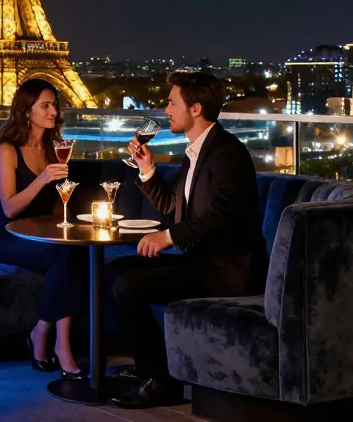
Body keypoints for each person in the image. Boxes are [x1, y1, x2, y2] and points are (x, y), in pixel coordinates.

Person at [106, 72, 268, 408]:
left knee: (128, 286)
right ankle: (149, 367)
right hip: (201, 259)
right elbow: (171, 205)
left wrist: (166, 236)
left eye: (171, 103)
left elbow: (221, 217)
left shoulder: (227, 154)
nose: (165, 110)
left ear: (195, 109)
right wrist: (147, 169)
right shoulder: (199, 150)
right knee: (116, 269)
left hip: (226, 270)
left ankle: (161, 381)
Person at [0, 78, 86, 379]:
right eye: (45, 105)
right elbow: (9, 208)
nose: (53, 111)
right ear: (26, 111)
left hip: (42, 235)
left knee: (76, 253)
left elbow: (54, 207)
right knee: (63, 256)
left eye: (54, 104)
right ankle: (55, 343)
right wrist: (42, 179)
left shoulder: (54, 147)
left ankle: (47, 335)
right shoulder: (8, 150)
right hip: (8, 236)